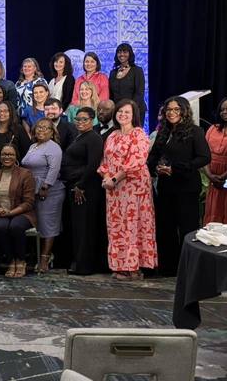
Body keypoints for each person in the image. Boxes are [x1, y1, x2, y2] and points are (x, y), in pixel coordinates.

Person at [148, 97, 211, 276]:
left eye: (176, 109)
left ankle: (188, 269)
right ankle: (169, 267)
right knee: (165, 228)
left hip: (187, 187)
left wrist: (176, 168)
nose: (172, 113)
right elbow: (153, 157)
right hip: (166, 187)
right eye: (169, 109)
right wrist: (155, 168)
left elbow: (204, 157)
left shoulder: (195, 131)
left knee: (187, 229)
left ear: (184, 111)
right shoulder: (163, 132)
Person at [100, 99, 157, 280]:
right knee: (117, 226)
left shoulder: (139, 134)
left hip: (134, 186)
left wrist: (115, 178)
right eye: (120, 112)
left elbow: (136, 162)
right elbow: (105, 161)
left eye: (127, 112)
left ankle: (134, 266)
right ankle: (120, 266)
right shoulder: (112, 135)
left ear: (134, 115)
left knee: (133, 225)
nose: (122, 115)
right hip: (114, 189)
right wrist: (107, 177)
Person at [59, 107, 106, 275]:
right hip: (75, 184)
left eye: (84, 119)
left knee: (84, 226)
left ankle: (84, 266)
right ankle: (79, 263)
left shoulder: (94, 138)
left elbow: (93, 165)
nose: (80, 122)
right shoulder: (80, 136)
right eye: (77, 119)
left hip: (85, 188)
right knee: (78, 226)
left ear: (92, 120)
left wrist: (81, 185)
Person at [20, 118, 65, 273]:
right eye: (39, 127)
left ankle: (45, 258)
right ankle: (37, 255)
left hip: (48, 190)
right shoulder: (33, 146)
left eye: (45, 128)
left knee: (48, 224)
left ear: (52, 132)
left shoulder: (54, 147)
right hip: (31, 189)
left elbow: (54, 168)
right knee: (38, 224)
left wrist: (46, 186)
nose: (41, 130)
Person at [0, 145, 37, 278]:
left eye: (10, 154)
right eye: (4, 154)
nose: (7, 157)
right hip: (1, 213)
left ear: (16, 157)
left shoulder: (25, 174)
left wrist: (10, 213)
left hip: (22, 213)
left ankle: (21, 260)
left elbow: (29, 202)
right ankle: (11, 260)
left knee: (15, 226)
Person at [109, 43, 146, 123]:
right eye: (119, 52)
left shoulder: (137, 70)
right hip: (118, 112)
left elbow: (139, 93)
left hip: (135, 110)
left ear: (130, 54)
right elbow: (111, 95)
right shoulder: (113, 73)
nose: (122, 54)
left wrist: (130, 109)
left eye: (125, 52)